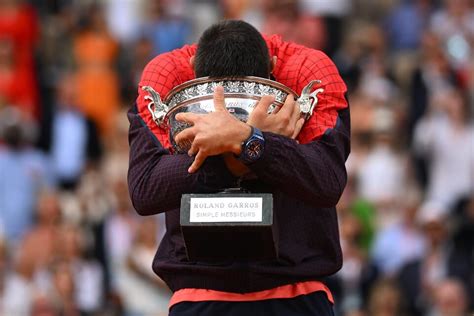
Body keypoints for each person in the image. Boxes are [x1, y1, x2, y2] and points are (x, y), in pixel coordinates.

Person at [127, 20, 350, 315]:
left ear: (274, 68)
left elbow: (327, 180)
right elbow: (146, 189)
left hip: (294, 291)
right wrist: (248, 147)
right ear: (191, 69)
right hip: (203, 294)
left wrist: (245, 140)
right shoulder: (166, 74)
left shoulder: (308, 71)